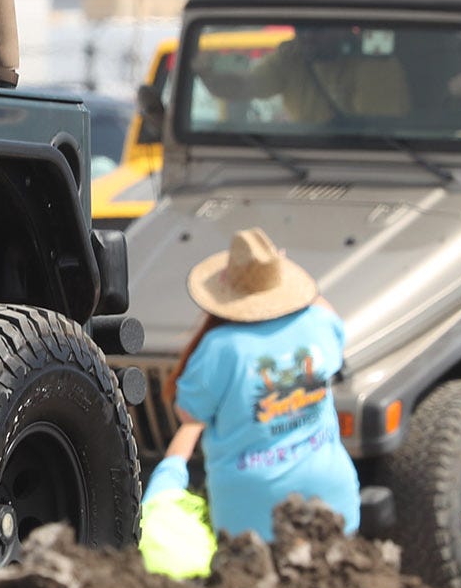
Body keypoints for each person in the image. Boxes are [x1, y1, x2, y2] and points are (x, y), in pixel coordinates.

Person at [143, 227, 362, 543]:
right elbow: (329, 318)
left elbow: (189, 413)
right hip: (332, 497)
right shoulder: (317, 322)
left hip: (250, 511)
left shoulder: (221, 346)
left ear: (225, 290)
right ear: (282, 281)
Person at [192, 27, 408, 125]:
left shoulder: (376, 65)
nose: (307, 36)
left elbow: (372, 132)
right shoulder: (291, 58)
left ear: (345, 28)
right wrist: (207, 76)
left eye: (318, 28)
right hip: (302, 159)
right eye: (301, 27)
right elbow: (246, 86)